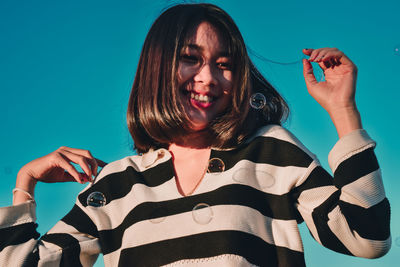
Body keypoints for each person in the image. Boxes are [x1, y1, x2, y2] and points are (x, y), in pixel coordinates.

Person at [0, 3, 391, 267]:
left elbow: (367, 237)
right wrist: (25, 182)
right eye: (190, 59)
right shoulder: (118, 182)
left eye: (224, 64)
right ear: (158, 67)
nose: (207, 78)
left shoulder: (269, 150)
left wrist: (343, 111)